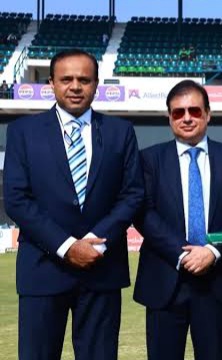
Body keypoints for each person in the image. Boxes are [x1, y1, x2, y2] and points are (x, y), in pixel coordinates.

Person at [3, 48, 144, 360]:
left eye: (84, 79)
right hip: (42, 268)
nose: (76, 86)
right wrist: (66, 246)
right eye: (66, 79)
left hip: (102, 269)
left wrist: (96, 243)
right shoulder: (22, 133)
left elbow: (132, 194)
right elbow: (16, 198)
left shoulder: (122, 133)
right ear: (51, 83)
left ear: (96, 84)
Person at [133, 80, 222, 360]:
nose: (186, 118)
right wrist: (183, 254)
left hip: (217, 281)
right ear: (169, 117)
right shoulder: (149, 159)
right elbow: (143, 213)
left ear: (208, 114)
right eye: (178, 112)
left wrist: (211, 250)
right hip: (165, 280)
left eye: (194, 111)